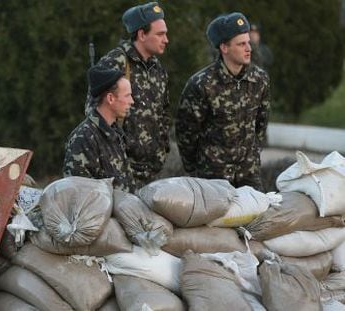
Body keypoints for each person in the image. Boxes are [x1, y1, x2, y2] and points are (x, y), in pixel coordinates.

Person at [175, 12, 271, 190]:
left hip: (249, 174)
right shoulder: (201, 84)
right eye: (241, 44)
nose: (248, 48)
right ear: (224, 48)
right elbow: (186, 133)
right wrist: (195, 169)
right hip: (212, 177)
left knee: (258, 217)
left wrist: (252, 154)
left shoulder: (259, 79)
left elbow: (261, 123)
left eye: (248, 42)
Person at [85, 2, 171, 188]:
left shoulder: (158, 69)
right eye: (160, 34)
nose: (166, 39)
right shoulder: (116, 62)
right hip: (121, 171)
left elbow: (163, 113)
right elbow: (94, 113)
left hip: (151, 171)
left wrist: (162, 151)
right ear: (141, 34)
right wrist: (114, 156)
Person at [63, 65, 136, 193]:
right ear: (110, 99)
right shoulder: (84, 138)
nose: (132, 101)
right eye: (127, 95)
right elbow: (78, 193)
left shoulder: (116, 133)